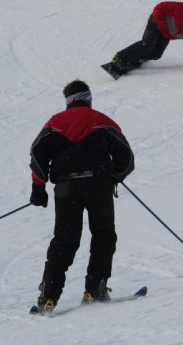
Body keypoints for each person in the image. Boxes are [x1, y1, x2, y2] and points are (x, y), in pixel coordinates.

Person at [29, 79, 135, 314]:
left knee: (64, 240)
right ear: (88, 99)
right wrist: (115, 177)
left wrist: (39, 188)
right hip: (98, 186)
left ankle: (48, 297)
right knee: (103, 235)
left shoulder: (54, 123)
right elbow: (126, 158)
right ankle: (95, 290)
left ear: (67, 101)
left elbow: (37, 155)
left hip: (66, 189)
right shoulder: (103, 121)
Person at [109, 1, 183, 76]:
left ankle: (136, 60)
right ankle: (120, 58)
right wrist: (158, 20)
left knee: (156, 55)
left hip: (166, 33)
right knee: (147, 44)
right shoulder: (181, 9)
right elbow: (160, 7)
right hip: (157, 23)